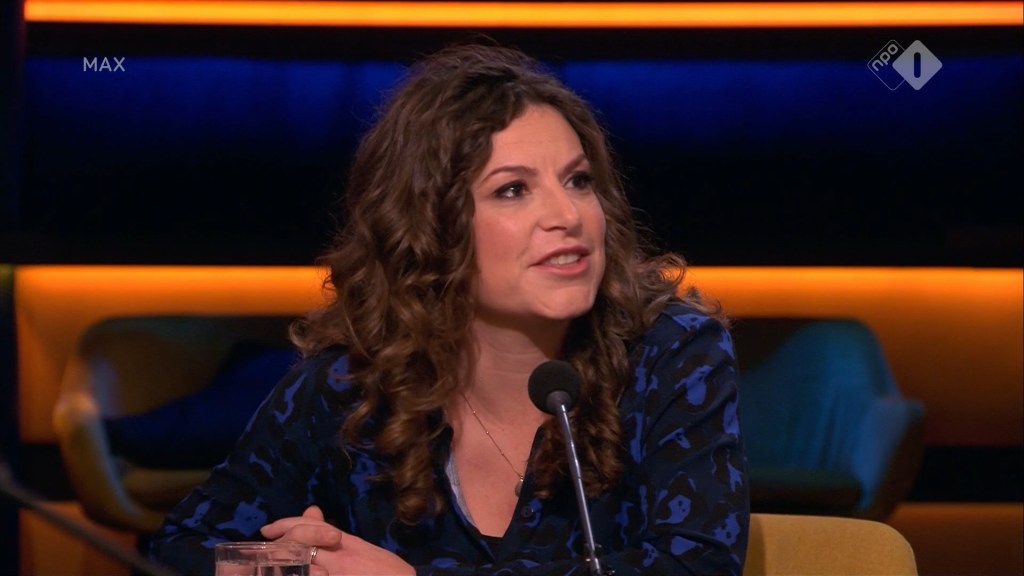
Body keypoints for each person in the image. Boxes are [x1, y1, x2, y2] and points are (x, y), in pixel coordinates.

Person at [149, 41, 748, 575]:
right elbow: (181, 548)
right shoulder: (351, 386)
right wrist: (294, 564)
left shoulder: (671, 353)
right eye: (513, 189)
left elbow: (695, 563)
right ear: (430, 230)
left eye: (579, 180)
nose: (568, 216)